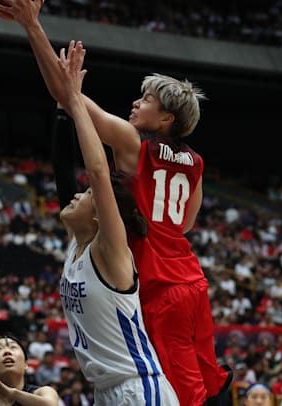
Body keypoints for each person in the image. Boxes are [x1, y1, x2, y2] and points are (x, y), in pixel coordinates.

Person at [3, 2, 231, 404]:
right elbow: (187, 223)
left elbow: (67, 94)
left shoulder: (132, 142)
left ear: (166, 120)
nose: (135, 104)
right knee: (197, 384)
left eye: (145, 101)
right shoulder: (195, 162)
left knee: (175, 391)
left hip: (159, 281)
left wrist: (31, 25)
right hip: (191, 279)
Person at [50, 41, 178, 404]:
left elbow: (97, 171)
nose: (76, 194)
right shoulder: (76, 245)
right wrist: (31, 28)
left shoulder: (109, 250)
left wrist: (75, 99)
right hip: (106, 391)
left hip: (140, 386)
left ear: (98, 214)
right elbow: (62, 166)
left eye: (84, 195)